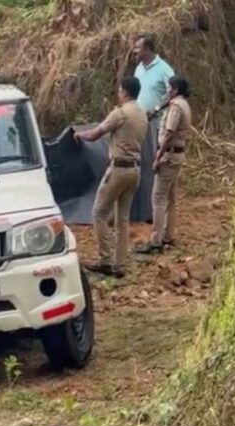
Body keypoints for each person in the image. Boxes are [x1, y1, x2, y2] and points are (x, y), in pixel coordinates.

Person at [75, 77, 148, 278]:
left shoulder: (121, 113)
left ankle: (105, 260)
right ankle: (120, 264)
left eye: (119, 90)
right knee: (123, 219)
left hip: (118, 170)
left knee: (99, 212)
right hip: (135, 170)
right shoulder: (141, 114)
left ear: (124, 92)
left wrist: (79, 135)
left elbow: (95, 134)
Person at [136, 76, 192, 254]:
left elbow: (168, 133)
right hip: (177, 155)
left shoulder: (175, 108)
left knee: (158, 197)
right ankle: (168, 234)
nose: (167, 91)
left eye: (169, 88)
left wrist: (158, 156)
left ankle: (156, 240)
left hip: (169, 155)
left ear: (175, 90)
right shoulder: (183, 105)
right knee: (171, 198)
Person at [131, 34, 175, 224]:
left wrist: (156, 109)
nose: (135, 51)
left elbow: (174, 93)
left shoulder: (164, 69)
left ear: (148, 50)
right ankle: (142, 208)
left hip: (158, 126)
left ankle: (155, 211)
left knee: (156, 165)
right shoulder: (138, 68)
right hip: (140, 124)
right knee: (141, 162)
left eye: (138, 48)